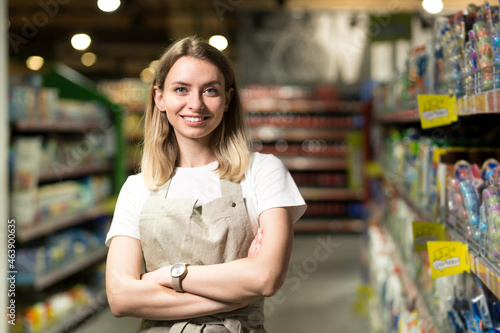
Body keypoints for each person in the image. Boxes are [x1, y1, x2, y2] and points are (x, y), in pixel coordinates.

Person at [105, 36, 306, 332]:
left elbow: (266, 277)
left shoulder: (263, 171)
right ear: (159, 98)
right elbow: (121, 298)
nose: (195, 104)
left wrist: (168, 276)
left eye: (210, 90)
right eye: (181, 89)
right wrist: (236, 295)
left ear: (227, 99)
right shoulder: (138, 188)